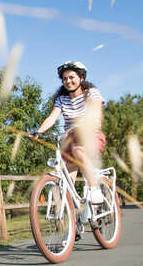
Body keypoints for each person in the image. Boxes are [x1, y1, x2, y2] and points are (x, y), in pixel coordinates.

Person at [36, 61, 106, 204]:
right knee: (65, 171)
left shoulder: (91, 93)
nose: (68, 81)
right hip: (71, 137)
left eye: (71, 77)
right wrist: (38, 132)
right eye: (65, 78)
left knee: (78, 150)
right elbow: (52, 117)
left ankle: (94, 189)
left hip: (91, 135)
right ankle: (68, 206)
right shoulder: (62, 99)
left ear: (81, 78)